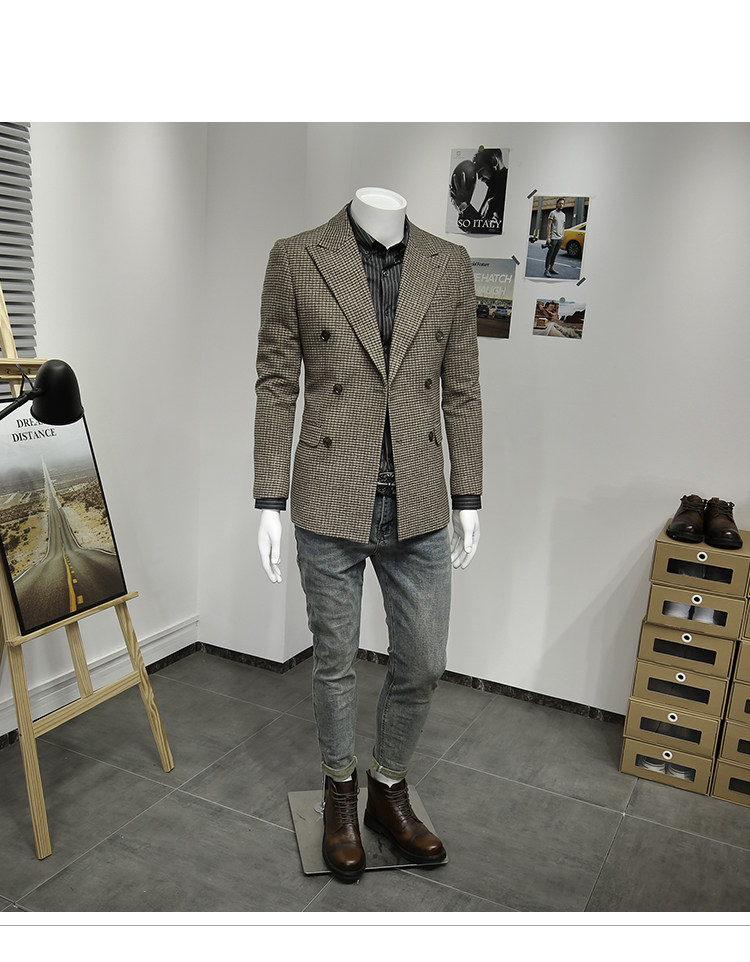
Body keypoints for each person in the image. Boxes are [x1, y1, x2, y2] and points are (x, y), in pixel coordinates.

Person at [254, 187, 483, 883]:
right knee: (334, 661)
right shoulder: (297, 257)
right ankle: (339, 792)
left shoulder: (448, 262)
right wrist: (269, 499)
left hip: (419, 496)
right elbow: (276, 384)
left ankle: (387, 786)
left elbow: (461, 389)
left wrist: (468, 495)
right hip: (329, 492)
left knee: (424, 660)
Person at [450, 147, 508, 234]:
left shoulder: (504, 189)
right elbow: (482, 225)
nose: (479, 177)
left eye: (481, 170)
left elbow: (491, 231)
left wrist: (464, 207)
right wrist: (462, 209)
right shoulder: (494, 189)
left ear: (494, 161)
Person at [544, 197, 567, 277]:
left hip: (560, 238)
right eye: (560, 203)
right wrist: (548, 237)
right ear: (557, 204)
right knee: (550, 254)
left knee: (555, 254)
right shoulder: (552, 213)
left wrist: (562, 235)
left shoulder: (563, 215)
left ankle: (551, 268)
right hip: (553, 237)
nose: (561, 205)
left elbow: (563, 225)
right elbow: (549, 225)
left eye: (562, 204)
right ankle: (546, 270)